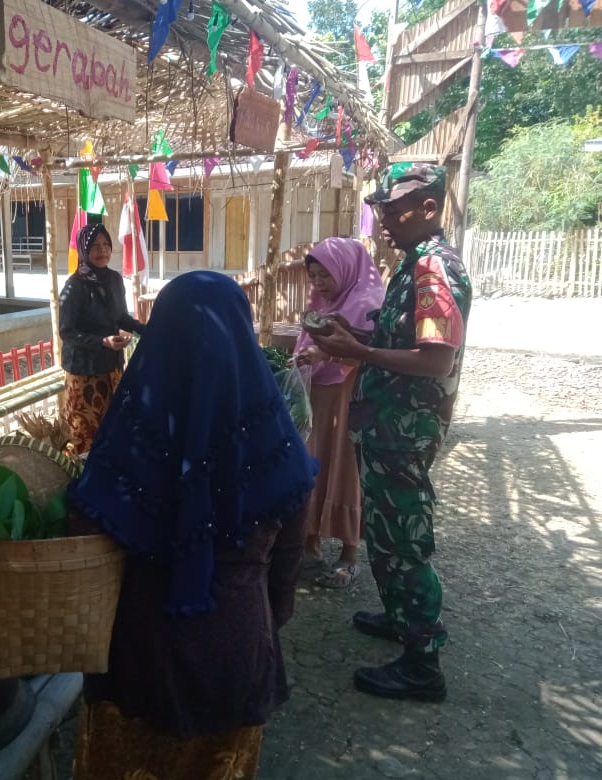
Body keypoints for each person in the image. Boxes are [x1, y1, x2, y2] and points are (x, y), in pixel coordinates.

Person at [67, 271, 318, 779]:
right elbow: (287, 566)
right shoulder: (273, 444)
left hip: (138, 654)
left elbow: (83, 533)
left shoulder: (129, 434)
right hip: (236, 648)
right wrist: (269, 618)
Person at [311, 163, 472, 702]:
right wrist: (352, 335)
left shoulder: (433, 272)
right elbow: (397, 338)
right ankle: (401, 618)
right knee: (384, 531)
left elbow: (434, 360)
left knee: (404, 540)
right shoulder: (411, 266)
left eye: (394, 209)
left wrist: (359, 352)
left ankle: (423, 664)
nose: (383, 219)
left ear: (429, 208)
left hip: (404, 428)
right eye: (380, 209)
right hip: (384, 425)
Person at [294, 237, 385, 589]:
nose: (317, 284)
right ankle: (310, 544)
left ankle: (349, 554)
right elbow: (310, 341)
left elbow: (370, 351)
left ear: (345, 270)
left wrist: (326, 355)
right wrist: (305, 358)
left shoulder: (368, 303)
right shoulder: (321, 302)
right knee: (314, 462)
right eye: (313, 276)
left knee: (346, 467)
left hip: (351, 399)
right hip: (319, 396)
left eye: (324, 275)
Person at [58, 222, 145, 453]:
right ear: (84, 250)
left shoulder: (114, 280)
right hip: (84, 373)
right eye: (95, 246)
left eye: (106, 244)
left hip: (112, 367)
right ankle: (82, 479)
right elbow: (66, 331)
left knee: (113, 426)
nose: (102, 251)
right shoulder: (73, 286)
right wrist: (101, 342)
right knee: (85, 433)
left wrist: (145, 329)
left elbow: (120, 317)